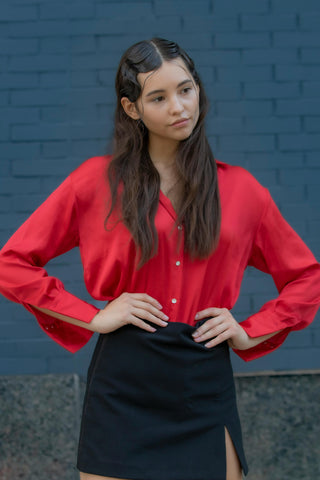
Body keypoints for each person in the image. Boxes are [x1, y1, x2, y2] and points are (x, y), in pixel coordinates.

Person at [0, 38, 319, 480]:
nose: (179, 107)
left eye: (186, 90)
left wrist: (250, 331)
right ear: (132, 109)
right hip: (124, 383)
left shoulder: (243, 191)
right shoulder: (94, 183)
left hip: (203, 380)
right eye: (159, 97)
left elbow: (307, 276)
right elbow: (11, 262)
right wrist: (91, 317)